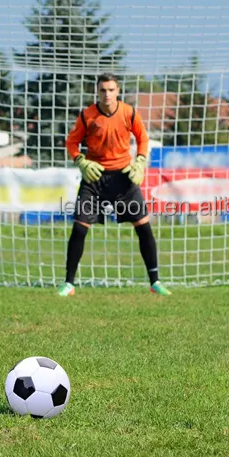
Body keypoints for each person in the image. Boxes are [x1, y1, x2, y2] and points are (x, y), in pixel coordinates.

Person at [59, 73, 171, 297]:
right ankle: (69, 284)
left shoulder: (129, 113)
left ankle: (155, 281)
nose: (107, 94)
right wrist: (81, 161)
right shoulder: (87, 115)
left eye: (111, 90)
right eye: (103, 90)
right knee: (80, 228)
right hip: (94, 179)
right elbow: (71, 141)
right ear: (97, 92)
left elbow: (143, 138)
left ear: (117, 91)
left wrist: (140, 161)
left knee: (143, 226)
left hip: (124, 178)